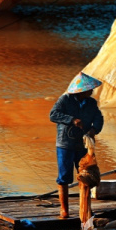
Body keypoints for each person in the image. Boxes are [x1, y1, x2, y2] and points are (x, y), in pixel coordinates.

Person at [49, 72, 104, 219]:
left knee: (86, 176)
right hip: (65, 144)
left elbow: (99, 118)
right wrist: (72, 120)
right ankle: (64, 209)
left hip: (83, 145)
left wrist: (94, 129)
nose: (92, 90)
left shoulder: (91, 103)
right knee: (64, 177)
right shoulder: (65, 100)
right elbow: (53, 115)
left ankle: (86, 209)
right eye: (89, 88)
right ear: (81, 90)